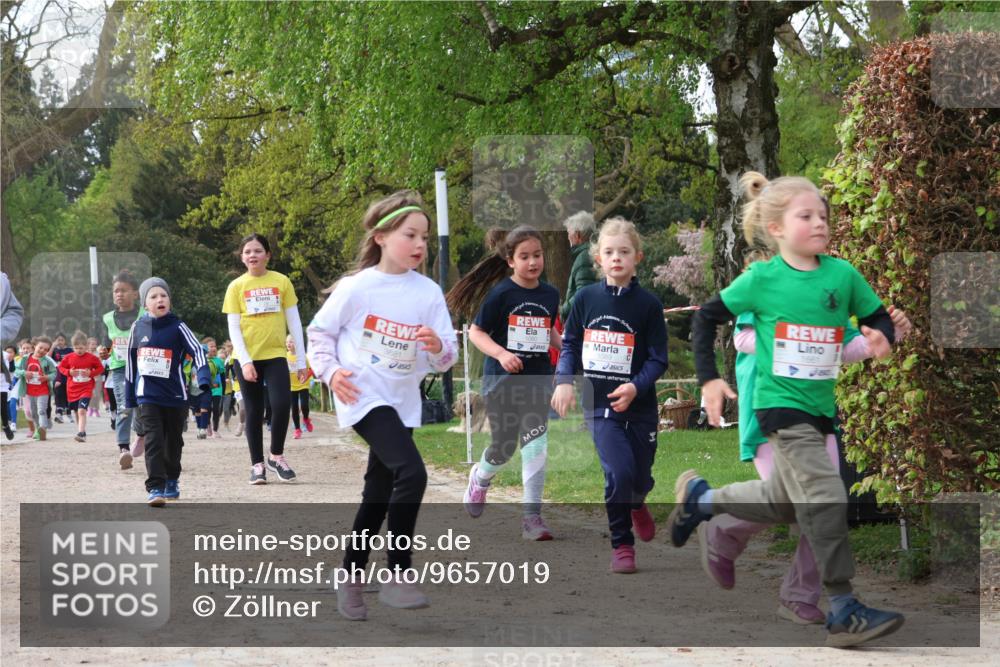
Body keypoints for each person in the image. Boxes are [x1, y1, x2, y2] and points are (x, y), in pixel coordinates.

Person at [674, 171, 905, 647]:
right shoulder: (762, 279)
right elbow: (707, 319)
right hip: (780, 410)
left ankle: (702, 501)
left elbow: (874, 317)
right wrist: (710, 380)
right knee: (826, 495)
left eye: (823, 215)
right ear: (777, 228)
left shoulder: (843, 276)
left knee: (783, 503)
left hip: (822, 411)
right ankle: (843, 606)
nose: (819, 223)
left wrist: (884, 334)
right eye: (807, 216)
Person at [307, 191, 457, 620]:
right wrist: (331, 372)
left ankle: (350, 577)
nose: (420, 244)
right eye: (410, 234)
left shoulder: (428, 292)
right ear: (380, 236)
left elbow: (445, 356)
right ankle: (398, 573)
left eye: (425, 237)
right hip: (362, 395)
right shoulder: (357, 288)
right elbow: (319, 335)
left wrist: (437, 348)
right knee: (412, 472)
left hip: (402, 401)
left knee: (378, 494)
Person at [551, 217, 668, 573]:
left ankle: (637, 502)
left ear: (638, 257)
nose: (616, 257)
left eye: (624, 251)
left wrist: (635, 386)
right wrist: (564, 380)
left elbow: (658, 358)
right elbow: (569, 344)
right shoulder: (586, 299)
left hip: (641, 405)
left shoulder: (648, 305)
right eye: (609, 252)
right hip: (600, 403)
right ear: (597, 258)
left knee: (639, 476)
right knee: (618, 472)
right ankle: (622, 544)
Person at [447, 225, 562, 540]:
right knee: (505, 446)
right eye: (524, 257)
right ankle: (481, 478)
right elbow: (476, 332)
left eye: (537, 255)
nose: (532, 262)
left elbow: (548, 327)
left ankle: (532, 518)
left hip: (537, 380)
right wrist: (501, 354)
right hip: (502, 382)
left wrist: (565, 348)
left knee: (536, 442)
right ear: (511, 260)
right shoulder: (501, 293)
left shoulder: (550, 294)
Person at [223, 233, 307, 483]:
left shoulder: (282, 282)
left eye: (258, 251)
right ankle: (257, 465)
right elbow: (234, 327)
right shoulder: (236, 286)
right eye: (247, 251)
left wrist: (301, 361)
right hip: (246, 357)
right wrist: (246, 361)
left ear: (268, 255)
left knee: (282, 404)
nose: (252, 255)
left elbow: (294, 322)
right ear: (242, 257)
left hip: (276, 355)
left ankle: (276, 456)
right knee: (254, 410)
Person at [126, 278, 211, 506]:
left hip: (175, 395)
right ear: (145, 304)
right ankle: (155, 487)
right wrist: (129, 396)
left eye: (163, 295)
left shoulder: (178, 327)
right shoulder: (138, 327)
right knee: (153, 439)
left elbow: (198, 351)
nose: (159, 299)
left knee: (173, 441)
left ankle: (172, 479)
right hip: (148, 395)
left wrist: (203, 379)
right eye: (153, 297)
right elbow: (131, 363)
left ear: (169, 301)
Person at [102, 270, 145, 468]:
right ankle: (123, 449)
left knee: (143, 407)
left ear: (135, 294)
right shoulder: (108, 318)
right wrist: (104, 351)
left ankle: (142, 436)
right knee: (124, 407)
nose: (119, 294)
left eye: (124, 291)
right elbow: (106, 344)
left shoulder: (145, 314)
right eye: (116, 291)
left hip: (144, 367)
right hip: (119, 368)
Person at [57, 331, 105, 442]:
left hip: (86, 388)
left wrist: (90, 374)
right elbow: (61, 368)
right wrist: (69, 372)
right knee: (76, 411)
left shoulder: (92, 358)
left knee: (82, 410)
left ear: (86, 346)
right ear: (72, 347)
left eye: (82, 348)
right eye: (76, 348)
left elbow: (100, 369)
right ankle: (81, 432)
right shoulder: (69, 357)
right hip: (72, 389)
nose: (79, 350)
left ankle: (81, 432)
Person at [14, 336, 57, 440]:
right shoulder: (25, 359)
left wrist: (47, 377)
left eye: (46, 349)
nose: (43, 351)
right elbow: (16, 371)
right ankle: (38, 430)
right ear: (34, 346)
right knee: (33, 413)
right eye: (40, 347)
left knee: (41, 410)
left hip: (43, 391)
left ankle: (43, 429)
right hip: (29, 391)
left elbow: (54, 373)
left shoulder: (47, 361)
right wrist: (24, 373)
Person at [560, 211, 599, 321]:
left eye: (569, 233)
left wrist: (564, 310)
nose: (568, 237)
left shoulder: (584, 256)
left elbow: (583, 292)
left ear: (578, 235)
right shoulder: (589, 253)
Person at [285, 335, 314, 439]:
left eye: (291, 342)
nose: (289, 344)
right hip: (291, 387)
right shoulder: (285, 356)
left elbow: (311, 370)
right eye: (287, 342)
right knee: (294, 409)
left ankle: (306, 419)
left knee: (304, 406)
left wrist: (305, 378)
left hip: (303, 385)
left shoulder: (302, 357)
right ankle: (297, 429)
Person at [202, 337, 225, 439]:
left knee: (216, 409)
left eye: (215, 346)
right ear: (205, 347)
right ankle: (208, 427)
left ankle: (215, 430)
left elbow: (223, 376)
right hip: (205, 388)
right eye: (211, 346)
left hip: (217, 388)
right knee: (207, 409)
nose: (214, 348)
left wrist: (223, 390)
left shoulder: (219, 361)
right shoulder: (202, 360)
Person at [50, 333, 72, 423]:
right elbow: (47, 357)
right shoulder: (54, 350)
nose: (60, 342)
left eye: (62, 340)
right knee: (58, 394)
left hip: (67, 375)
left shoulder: (70, 350)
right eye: (58, 340)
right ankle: (59, 414)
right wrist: (52, 347)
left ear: (65, 341)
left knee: (67, 395)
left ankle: (68, 413)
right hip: (57, 375)